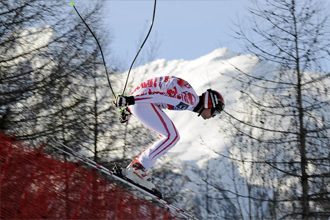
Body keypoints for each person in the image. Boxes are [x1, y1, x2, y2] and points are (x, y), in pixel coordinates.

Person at [115, 76, 225, 189]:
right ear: (209, 104)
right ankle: (137, 168)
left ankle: (137, 168)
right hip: (141, 101)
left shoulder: (190, 98)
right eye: (215, 112)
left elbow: (158, 94)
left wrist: (129, 108)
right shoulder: (189, 100)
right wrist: (130, 100)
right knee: (172, 136)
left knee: (171, 136)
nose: (213, 116)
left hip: (141, 100)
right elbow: (160, 96)